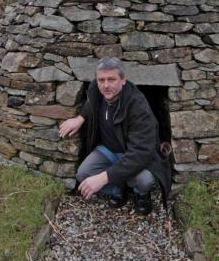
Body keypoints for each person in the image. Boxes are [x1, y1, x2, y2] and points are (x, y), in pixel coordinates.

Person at [59, 57, 172, 215]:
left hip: (135, 155)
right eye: (101, 80)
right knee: (83, 173)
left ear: (123, 80)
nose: (105, 85)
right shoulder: (96, 89)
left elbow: (139, 154)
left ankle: (141, 194)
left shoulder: (138, 107)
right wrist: (80, 118)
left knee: (143, 180)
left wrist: (102, 178)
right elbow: (91, 101)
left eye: (111, 79)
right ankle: (117, 189)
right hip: (109, 150)